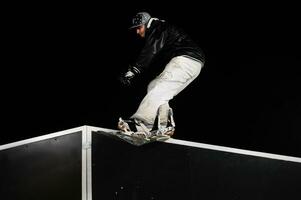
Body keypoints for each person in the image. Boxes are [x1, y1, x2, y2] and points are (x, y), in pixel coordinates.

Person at [118, 11, 205, 138]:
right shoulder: (164, 30)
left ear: (146, 24)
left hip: (186, 60)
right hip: (192, 64)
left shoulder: (157, 27)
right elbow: (156, 57)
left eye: (138, 28)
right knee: (155, 86)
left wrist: (134, 70)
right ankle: (164, 125)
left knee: (159, 89)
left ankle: (138, 124)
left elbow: (151, 50)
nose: (137, 32)